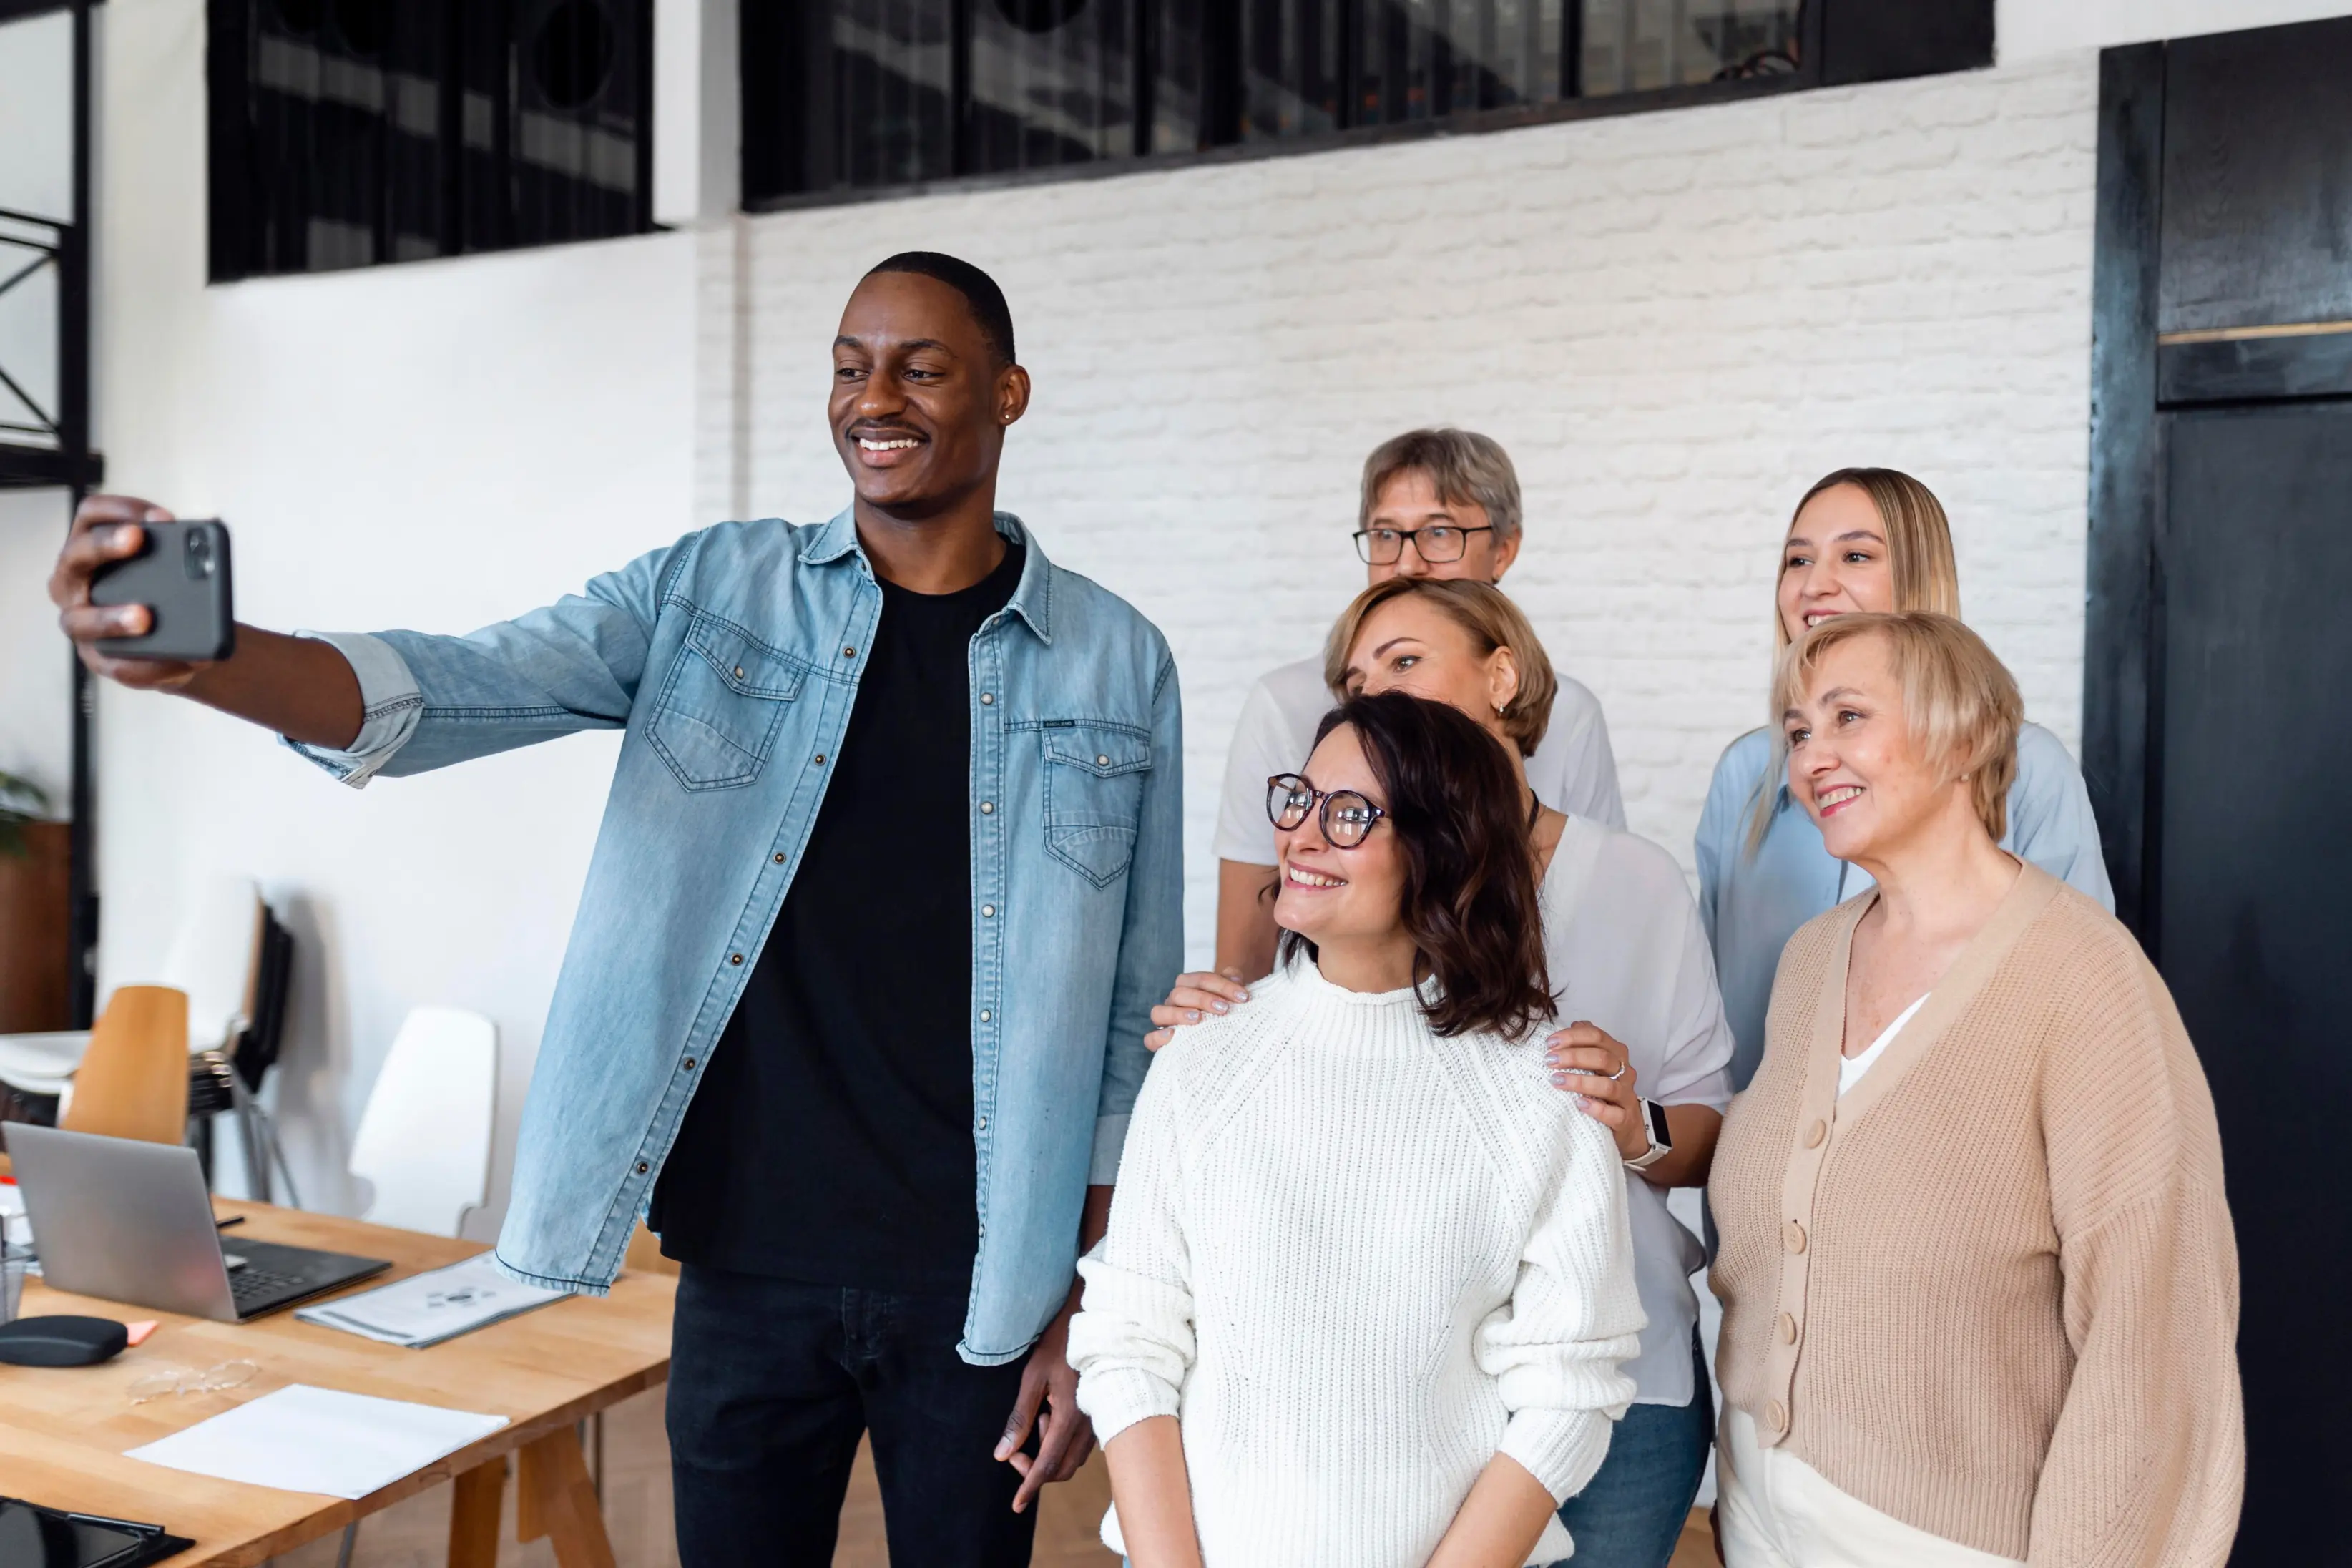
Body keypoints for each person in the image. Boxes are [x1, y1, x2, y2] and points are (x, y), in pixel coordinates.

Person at [49, 253, 1182, 1565]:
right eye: (848, 363)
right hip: (748, 1261)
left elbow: (1124, 1034)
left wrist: (1081, 1314)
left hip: (985, 1282)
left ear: (1007, 394)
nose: (874, 396)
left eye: (920, 368)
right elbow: (460, 685)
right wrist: (209, 661)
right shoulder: (711, 597)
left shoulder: (1114, 658)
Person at [1155, 578, 1730, 1568]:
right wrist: (1215, 1030)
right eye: (1357, 675)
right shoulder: (1324, 919)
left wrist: (1632, 1125)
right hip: (1386, 1422)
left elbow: (1704, 1126)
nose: (1377, 686)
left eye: (1404, 659)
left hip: (1603, 1370)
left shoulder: (1624, 899)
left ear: (1502, 675)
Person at [1708, 612, 2242, 1567]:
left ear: (1960, 734)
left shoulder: (2085, 977)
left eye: (1847, 717)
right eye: (1797, 731)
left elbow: (2152, 1338)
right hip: (1757, 1517)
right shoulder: (1812, 960)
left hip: (1950, 1542)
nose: (1812, 756)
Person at [1070, 691, 1645, 1567]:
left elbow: (1570, 1385)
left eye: (1349, 815)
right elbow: (1130, 1341)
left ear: (1444, 848)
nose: (1301, 834)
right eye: (1299, 798)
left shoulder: (1543, 1089)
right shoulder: (1202, 1056)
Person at [1695, 468, 2112, 1091]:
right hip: (1765, 1172)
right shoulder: (1744, 776)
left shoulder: (2026, 766)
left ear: (1918, 579)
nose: (1815, 585)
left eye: (1856, 555)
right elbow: (1709, 1032)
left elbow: (2088, 1014)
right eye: (1797, 560)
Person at [1211, 428, 1624, 981]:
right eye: (1385, 534)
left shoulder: (1570, 713)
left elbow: (1597, 908)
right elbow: (1245, 954)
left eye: (1439, 531)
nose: (1407, 562)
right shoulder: (1285, 703)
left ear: (1504, 549)